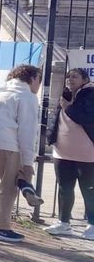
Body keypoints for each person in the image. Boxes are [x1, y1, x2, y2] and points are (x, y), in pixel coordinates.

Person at [0, 64, 44, 243]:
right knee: (9, 186)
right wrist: (28, 164)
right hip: (3, 142)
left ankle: (25, 184)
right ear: (32, 78)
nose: (39, 85)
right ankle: (0, 228)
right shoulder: (27, 97)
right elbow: (27, 133)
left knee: (12, 172)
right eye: (39, 80)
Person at [44, 68, 94, 240]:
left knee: (89, 190)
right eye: (68, 76)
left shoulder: (90, 94)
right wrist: (51, 137)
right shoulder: (65, 94)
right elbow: (57, 119)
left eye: (74, 76)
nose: (69, 79)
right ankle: (63, 223)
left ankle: (92, 225)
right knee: (64, 188)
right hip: (63, 152)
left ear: (85, 80)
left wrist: (68, 107)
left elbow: (87, 118)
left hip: (87, 153)